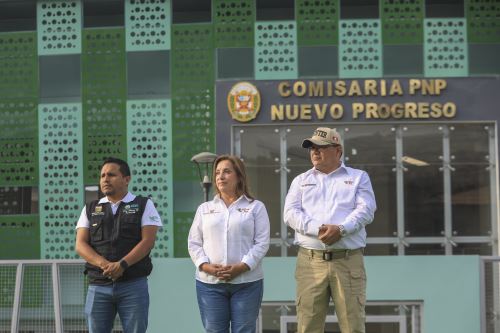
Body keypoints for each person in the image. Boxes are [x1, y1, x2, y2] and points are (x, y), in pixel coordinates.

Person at [284, 127, 376, 333]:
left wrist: (342, 229)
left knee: (353, 326)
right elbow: (290, 213)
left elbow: (366, 209)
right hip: (310, 261)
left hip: (348, 261)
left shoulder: (359, 177)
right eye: (311, 148)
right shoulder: (300, 180)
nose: (315, 152)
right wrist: (321, 229)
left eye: (321, 147)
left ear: (338, 150)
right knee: (307, 327)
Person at [75, 157, 162, 333]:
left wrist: (122, 265)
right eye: (102, 176)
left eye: (111, 175)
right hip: (98, 285)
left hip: (133, 285)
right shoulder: (90, 208)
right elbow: (80, 244)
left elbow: (148, 241)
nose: (105, 179)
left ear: (127, 179)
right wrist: (105, 265)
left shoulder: (144, 204)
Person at [188, 155, 270, 333]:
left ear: (239, 176)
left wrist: (242, 266)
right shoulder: (204, 209)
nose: (220, 176)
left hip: (247, 283)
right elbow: (194, 243)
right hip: (209, 284)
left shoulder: (256, 207)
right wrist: (206, 266)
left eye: (226, 171)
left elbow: (262, 243)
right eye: (217, 172)